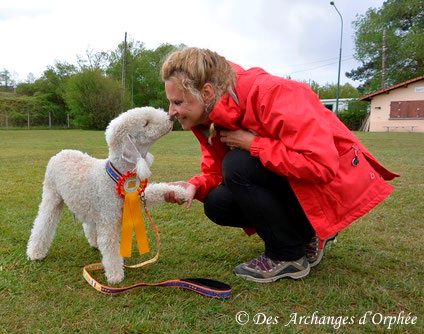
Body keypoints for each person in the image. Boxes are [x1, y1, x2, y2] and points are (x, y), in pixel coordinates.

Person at [160, 47, 398, 283]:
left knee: (238, 164)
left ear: (207, 92)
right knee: (217, 203)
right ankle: (305, 236)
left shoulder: (273, 92)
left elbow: (321, 165)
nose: (171, 112)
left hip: (331, 187)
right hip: (295, 183)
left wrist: (254, 144)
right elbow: (214, 171)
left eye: (177, 102)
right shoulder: (207, 115)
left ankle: (289, 255)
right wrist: (194, 185)